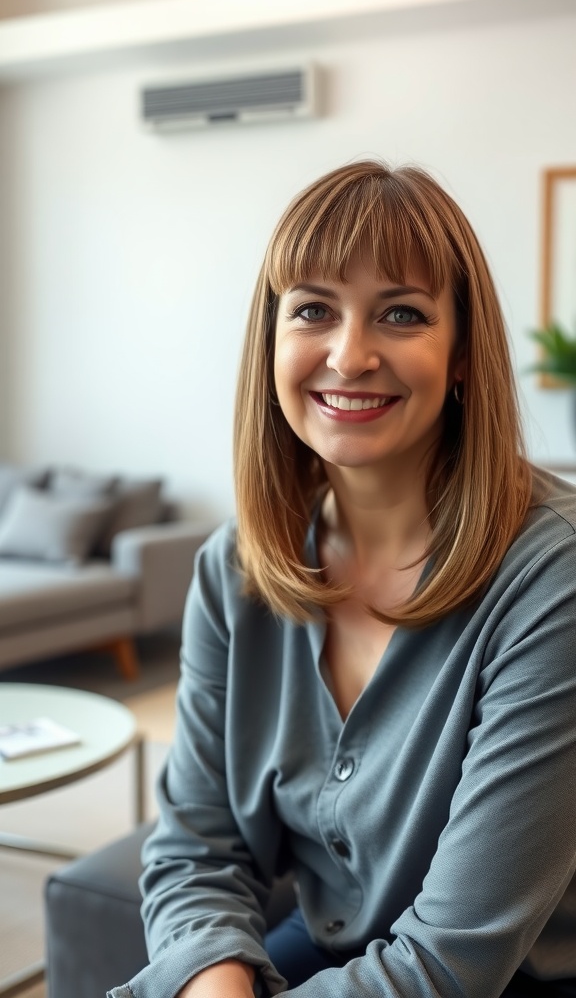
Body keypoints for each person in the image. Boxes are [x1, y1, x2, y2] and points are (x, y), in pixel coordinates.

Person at [108, 160, 576, 998]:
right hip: (332, 957)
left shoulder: (552, 577)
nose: (350, 355)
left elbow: (454, 961)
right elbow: (194, 849)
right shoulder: (234, 568)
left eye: (401, 313)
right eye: (314, 309)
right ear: (274, 341)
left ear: (462, 352)